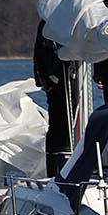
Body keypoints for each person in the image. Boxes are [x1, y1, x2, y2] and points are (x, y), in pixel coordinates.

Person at [33, 20, 78, 178]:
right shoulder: (51, 22)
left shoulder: (60, 20)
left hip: (67, 78)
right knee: (61, 123)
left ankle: (64, 159)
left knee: (66, 121)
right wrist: (47, 79)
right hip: (58, 80)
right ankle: (59, 164)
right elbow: (41, 52)